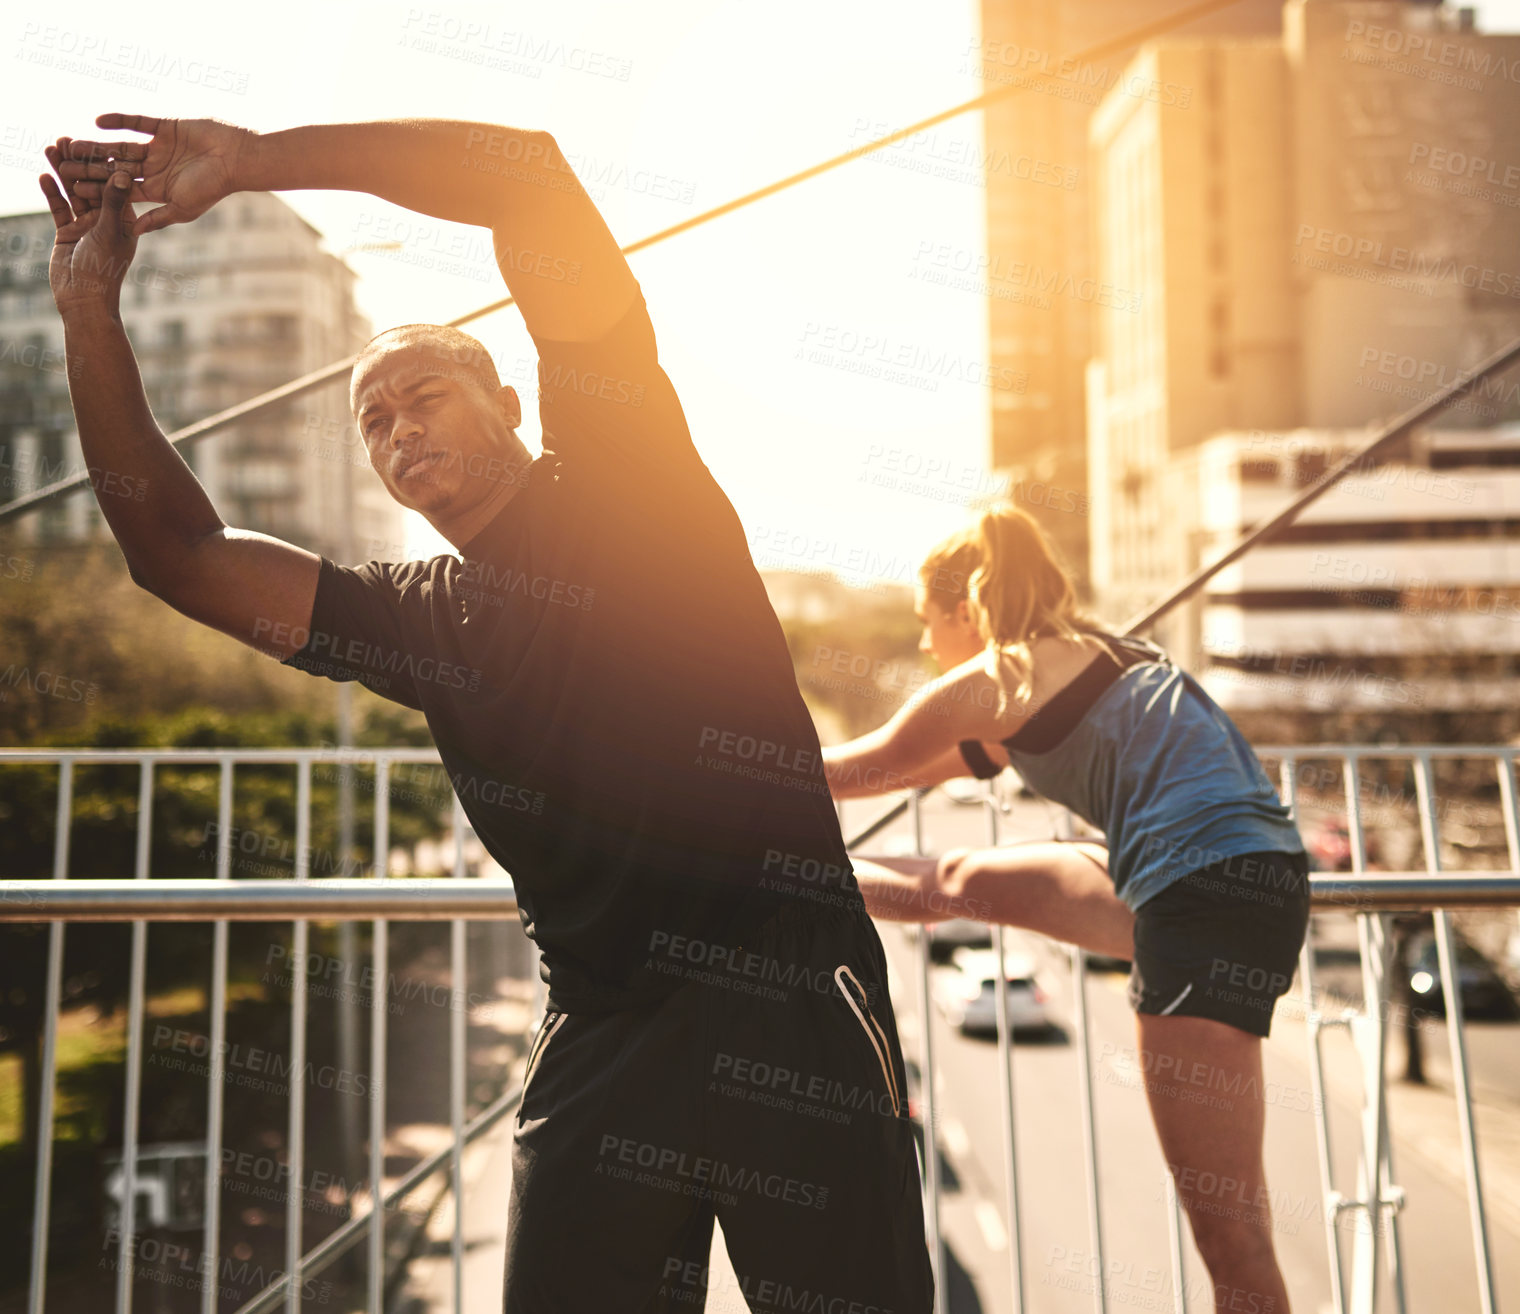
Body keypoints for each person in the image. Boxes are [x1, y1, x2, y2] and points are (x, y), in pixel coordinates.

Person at [41, 113, 933, 1313]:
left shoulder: (626, 479)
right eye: (372, 421)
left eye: (423, 393)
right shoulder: (412, 618)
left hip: (783, 997)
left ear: (506, 399)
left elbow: (528, 175)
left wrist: (252, 163)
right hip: (600, 1027)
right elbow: (179, 554)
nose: (399, 426)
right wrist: (88, 309)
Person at [826, 506, 1309, 1314]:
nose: (921, 643)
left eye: (924, 623)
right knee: (958, 878)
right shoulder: (1101, 657)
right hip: (1233, 877)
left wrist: (702, 760)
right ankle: (793, 872)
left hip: (1199, 896)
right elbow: (931, 791)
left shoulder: (997, 677)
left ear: (963, 611)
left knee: (1231, 1239)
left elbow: (858, 770)